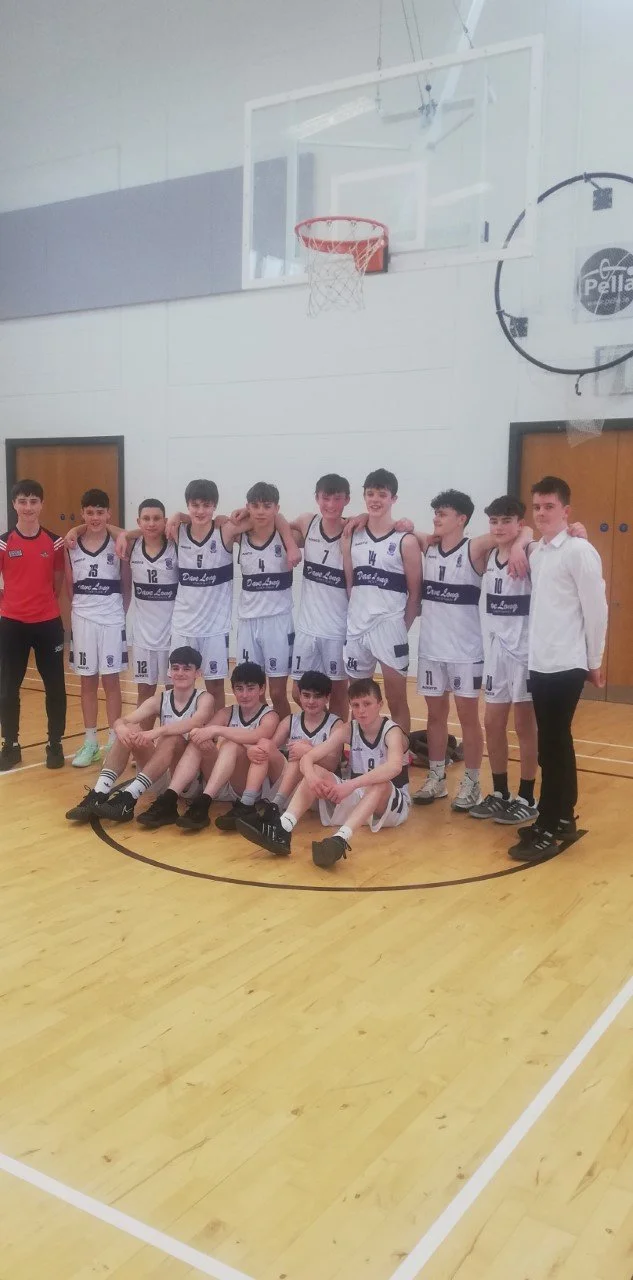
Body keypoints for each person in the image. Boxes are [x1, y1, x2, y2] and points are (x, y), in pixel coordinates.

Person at [508, 475, 608, 861]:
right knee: (556, 743)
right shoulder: (539, 553)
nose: (542, 513)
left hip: (566, 664)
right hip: (541, 663)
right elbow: (524, 535)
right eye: (537, 507)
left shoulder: (579, 551)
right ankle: (563, 817)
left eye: (549, 506)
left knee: (551, 746)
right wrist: (521, 539)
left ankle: (547, 827)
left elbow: (596, 610)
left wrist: (594, 661)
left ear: (566, 511)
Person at [413, 489, 530, 811]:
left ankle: (472, 782)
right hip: (431, 649)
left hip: (465, 651)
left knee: (468, 719)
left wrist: (519, 544)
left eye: (443, 514)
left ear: (461, 519)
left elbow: (522, 531)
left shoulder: (475, 547)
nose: (436, 518)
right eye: (435, 513)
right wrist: (405, 525)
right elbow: (404, 528)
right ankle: (436, 778)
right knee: (435, 717)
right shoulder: (428, 546)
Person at [239, 676, 410, 867]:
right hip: (357, 796)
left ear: (380, 704)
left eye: (367, 704)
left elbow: (394, 767)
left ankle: (340, 840)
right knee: (315, 770)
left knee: (379, 784)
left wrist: (350, 785)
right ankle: (283, 828)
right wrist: (311, 777)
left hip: (391, 805)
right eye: (356, 705)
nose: (361, 710)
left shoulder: (392, 731)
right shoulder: (349, 729)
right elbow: (308, 758)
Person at [65, 646, 213, 823]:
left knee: (172, 737)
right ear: (169, 672)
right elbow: (123, 720)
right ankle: (99, 793)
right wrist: (120, 728)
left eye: (187, 669)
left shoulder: (204, 698)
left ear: (198, 673)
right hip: (160, 773)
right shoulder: (160, 699)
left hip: (189, 781)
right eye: (176, 668)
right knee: (131, 730)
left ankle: (129, 797)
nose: (180, 673)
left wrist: (157, 731)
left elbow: (195, 722)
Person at [468, 496, 539, 825]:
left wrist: (523, 541)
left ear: (519, 523)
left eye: (506, 521)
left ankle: (527, 796)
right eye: (494, 521)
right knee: (493, 723)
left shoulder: (531, 552)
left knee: (524, 727)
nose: (498, 527)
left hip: (524, 652)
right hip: (496, 651)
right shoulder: (488, 555)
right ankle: (500, 792)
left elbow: (533, 536)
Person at [154, 661, 279, 832]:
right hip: (220, 782)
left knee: (231, 744)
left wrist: (218, 730)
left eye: (250, 688)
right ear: (233, 690)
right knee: (199, 742)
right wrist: (202, 733)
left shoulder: (270, 716)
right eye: (239, 689)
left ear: (262, 689)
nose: (244, 694)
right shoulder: (226, 712)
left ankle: (205, 801)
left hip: (244, 786)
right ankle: (170, 797)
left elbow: (257, 736)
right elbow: (200, 733)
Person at [342, 469, 422, 734]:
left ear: (393, 498)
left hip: (389, 628)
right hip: (357, 626)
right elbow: (350, 584)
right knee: (357, 700)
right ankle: (359, 751)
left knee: (396, 699)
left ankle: (401, 754)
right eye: (370, 494)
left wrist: (400, 628)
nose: (375, 500)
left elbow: (415, 595)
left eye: (382, 494)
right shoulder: (353, 534)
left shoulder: (406, 541)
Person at [0, 479, 67, 771]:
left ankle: (55, 743)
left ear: (41, 504)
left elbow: (57, 582)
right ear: (14, 504)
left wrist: (41, 604)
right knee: (7, 687)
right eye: (22, 501)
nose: (28, 507)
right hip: (12, 625)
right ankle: (10, 745)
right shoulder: (3, 543)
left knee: (55, 686)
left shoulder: (55, 542)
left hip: (47, 624)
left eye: (33, 501)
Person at [236, 669, 342, 845]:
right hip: (290, 787)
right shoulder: (290, 720)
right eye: (306, 695)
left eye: (317, 696)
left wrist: (308, 751)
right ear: (299, 695)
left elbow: (332, 764)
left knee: (300, 754)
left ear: (327, 698)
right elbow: (269, 748)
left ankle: (275, 807)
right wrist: (250, 748)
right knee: (266, 745)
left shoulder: (336, 724)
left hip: (317, 789)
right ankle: (252, 804)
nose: (311, 701)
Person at [66, 488, 132, 767]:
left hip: (112, 618)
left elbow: (126, 585)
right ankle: (91, 742)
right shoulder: (71, 544)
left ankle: (114, 741)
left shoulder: (119, 542)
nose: (95, 517)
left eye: (100, 512)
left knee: (112, 681)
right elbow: (69, 587)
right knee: (87, 681)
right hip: (83, 619)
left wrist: (118, 613)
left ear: (108, 513)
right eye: (90, 512)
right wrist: (74, 529)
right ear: (82, 513)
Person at [288, 474, 351, 720]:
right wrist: (292, 546)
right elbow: (278, 523)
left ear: (347, 500)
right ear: (317, 498)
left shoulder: (353, 530)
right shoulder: (308, 522)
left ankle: (336, 741)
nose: (331, 505)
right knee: (298, 692)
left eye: (337, 499)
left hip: (337, 631)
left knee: (338, 694)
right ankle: (323, 728)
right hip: (307, 628)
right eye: (326, 498)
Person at [236, 482, 301, 720]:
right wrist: (178, 516)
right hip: (247, 622)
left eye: (267, 506)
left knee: (277, 692)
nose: (261, 511)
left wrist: (290, 542)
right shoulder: (239, 536)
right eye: (255, 506)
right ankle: (261, 731)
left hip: (278, 622)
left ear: (277, 508)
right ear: (247, 507)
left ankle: (283, 735)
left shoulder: (289, 537)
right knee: (253, 691)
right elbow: (216, 522)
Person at [127, 500, 178, 707]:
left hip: (172, 635)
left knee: (175, 692)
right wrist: (124, 535)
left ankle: (174, 730)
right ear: (138, 521)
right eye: (146, 519)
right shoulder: (132, 546)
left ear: (165, 521)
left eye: (156, 518)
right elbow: (107, 528)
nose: (151, 523)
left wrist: (179, 517)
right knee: (145, 692)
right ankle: (144, 730)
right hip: (143, 637)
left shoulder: (175, 544)